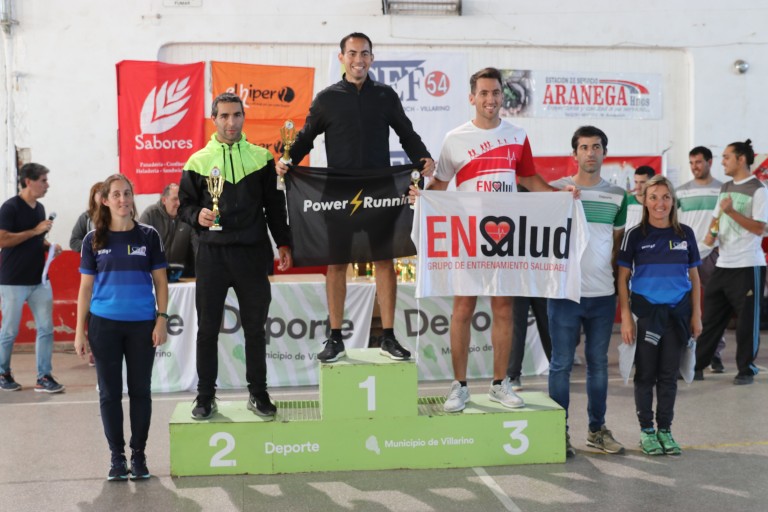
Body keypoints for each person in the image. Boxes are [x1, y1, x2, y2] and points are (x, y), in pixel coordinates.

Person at [276, 32, 435, 363]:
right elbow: (305, 137)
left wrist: (423, 158)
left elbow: (407, 134)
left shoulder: (386, 96)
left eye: (364, 54)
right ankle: (335, 338)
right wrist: (287, 160)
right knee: (337, 264)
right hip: (338, 194)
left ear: (371, 58)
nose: (358, 60)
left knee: (384, 261)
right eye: (352, 53)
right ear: (342, 58)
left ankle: (388, 337)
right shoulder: (326, 99)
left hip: (380, 192)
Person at [424, 67, 571, 412]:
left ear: (503, 96)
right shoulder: (455, 138)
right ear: (472, 97)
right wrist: (422, 196)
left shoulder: (517, 135)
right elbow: (440, 185)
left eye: (495, 93)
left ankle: (499, 384)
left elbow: (530, 180)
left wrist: (560, 196)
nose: (490, 99)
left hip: (506, 237)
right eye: (484, 93)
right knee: (463, 308)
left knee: (504, 308)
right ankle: (459, 386)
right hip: (468, 236)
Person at [179, 92, 292, 420]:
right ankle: (205, 396)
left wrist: (283, 243)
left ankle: (258, 393)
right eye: (225, 116)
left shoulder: (262, 158)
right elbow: (184, 206)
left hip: (252, 255)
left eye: (237, 115)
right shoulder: (197, 161)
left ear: (244, 117)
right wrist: (197, 215)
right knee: (207, 330)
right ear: (214, 119)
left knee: (255, 329)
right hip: (211, 256)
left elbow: (274, 207)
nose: (231, 122)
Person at [73, 174, 168, 481]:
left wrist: (162, 318)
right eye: (116, 194)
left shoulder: (149, 236)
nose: (123, 199)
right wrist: (79, 331)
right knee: (109, 394)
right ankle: (117, 457)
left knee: (140, 392)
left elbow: (161, 282)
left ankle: (138, 455)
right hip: (104, 326)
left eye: (127, 193)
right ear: (105, 200)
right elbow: (85, 288)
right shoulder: (92, 240)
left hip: (142, 325)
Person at [548, 126, 627, 457]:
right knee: (561, 364)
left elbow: (617, 244)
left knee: (598, 365)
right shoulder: (556, 190)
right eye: (584, 147)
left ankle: (597, 430)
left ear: (604, 152)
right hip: (564, 294)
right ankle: (556, 433)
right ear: (574, 153)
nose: (590, 152)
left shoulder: (619, 195)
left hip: (602, 295)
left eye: (596, 147)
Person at [617, 175, 702, 456]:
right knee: (645, 375)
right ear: (644, 200)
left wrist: (696, 314)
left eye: (665, 197)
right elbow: (622, 278)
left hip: (677, 315)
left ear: (673, 201)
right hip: (646, 316)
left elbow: (695, 277)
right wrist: (626, 317)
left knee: (668, 375)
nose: (660, 203)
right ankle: (647, 431)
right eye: (653, 197)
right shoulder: (634, 235)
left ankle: (665, 429)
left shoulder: (685, 234)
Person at [695, 139, 766, 385]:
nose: (723, 161)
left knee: (746, 323)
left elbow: (760, 228)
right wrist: (710, 237)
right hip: (723, 265)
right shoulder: (725, 187)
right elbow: (716, 219)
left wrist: (732, 212)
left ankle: (746, 369)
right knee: (711, 320)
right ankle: (697, 366)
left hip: (748, 265)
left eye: (726, 157)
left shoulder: (759, 189)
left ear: (741, 159)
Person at [0, 163, 64, 393]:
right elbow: (3, 239)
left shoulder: (39, 208)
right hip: (13, 280)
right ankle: (3, 373)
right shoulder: (10, 208)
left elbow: (34, 239)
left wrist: (48, 245)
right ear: (28, 181)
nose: (47, 185)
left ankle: (44, 376)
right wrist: (36, 231)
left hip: (39, 280)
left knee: (46, 328)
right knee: (9, 331)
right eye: (43, 180)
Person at [677, 146, 726, 373]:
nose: (694, 167)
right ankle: (687, 353)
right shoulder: (681, 192)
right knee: (686, 306)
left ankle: (714, 353)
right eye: (691, 163)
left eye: (698, 162)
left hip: (713, 255)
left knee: (715, 307)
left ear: (709, 162)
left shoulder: (722, 189)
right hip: (686, 255)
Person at [139, 182, 198, 277]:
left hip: (181, 274)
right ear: (164, 200)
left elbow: (197, 247)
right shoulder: (150, 214)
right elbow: (139, 246)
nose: (179, 203)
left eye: (181, 199)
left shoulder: (188, 217)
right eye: (175, 199)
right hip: (154, 273)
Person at [69, 181, 103, 253]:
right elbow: (74, 242)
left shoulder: (116, 216)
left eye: (105, 192)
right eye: (99, 192)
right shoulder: (85, 217)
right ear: (93, 196)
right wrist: (92, 245)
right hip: (92, 258)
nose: (102, 195)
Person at [624, 165, 656, 230]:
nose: (638, 187)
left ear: (652, 182)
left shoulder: (659, 204)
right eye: (636, 182)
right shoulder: (626, 202)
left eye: (642, 182)